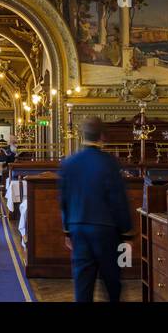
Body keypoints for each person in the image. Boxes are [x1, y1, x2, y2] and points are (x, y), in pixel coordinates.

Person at [59, 115, 132, 302]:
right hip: (105, 230)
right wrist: (126, 233)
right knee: (112, 283)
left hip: (78, 228)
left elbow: (64, 200)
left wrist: (67, 231)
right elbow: (118, 200)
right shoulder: (109, 163)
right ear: (103, 136)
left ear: (82, 135)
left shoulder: (69, 163)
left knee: (83, 284)